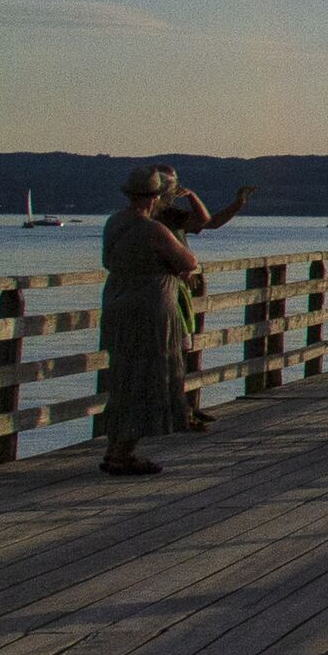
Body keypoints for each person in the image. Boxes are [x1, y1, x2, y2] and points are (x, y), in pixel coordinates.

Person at [97, 166, 204, 475]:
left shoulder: (112, 223)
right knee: (148, 377)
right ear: (156, 197)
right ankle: (123, 454)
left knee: (123, 377)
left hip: (117, 302)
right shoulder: (153, 229)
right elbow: (188, 261)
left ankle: (114, 448)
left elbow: (107, 261)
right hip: (149, 309)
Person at [157, 180, 249, 431]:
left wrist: (197, 196)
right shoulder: (160, 217)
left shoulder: (170, 214)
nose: (173, 186)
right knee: (172, 353)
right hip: (165, 292)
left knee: (182, 350)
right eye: (167, 182)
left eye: (175, 181)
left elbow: (210, 221)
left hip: (177, 291)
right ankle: (179, 412)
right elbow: (208, 222)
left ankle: (184, 408)